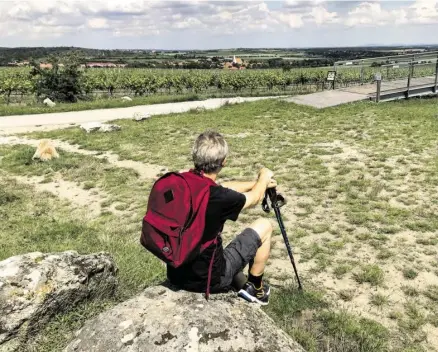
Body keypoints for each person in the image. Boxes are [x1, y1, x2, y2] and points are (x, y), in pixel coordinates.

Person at [167, 131, 276, 305]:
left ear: (195, 156)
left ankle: (240, 280)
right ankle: (255, 289)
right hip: (210, 280)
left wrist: (256, 184)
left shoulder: (184, 183)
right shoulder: (219, 198)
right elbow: (254, 198)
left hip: (176, 273)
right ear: (224, 161)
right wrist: (264, 177)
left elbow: (224, 187)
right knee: (265, 225)